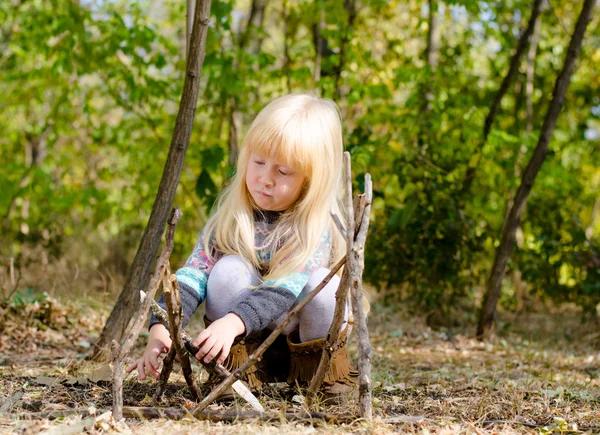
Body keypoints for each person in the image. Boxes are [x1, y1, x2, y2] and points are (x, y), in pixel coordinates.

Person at [127, 93, 355, 401]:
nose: (265, 178)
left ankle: (322, 379)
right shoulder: (232, 217)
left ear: (311, 180)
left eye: (283, 171)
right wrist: (161, 330)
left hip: (300, 342)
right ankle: (237, 373)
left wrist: (231, 322)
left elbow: (284, 288)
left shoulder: (314, 227)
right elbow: (193, 275)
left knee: (323, 286)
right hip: (246, 343)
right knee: (228, 269)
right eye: (258, 162)